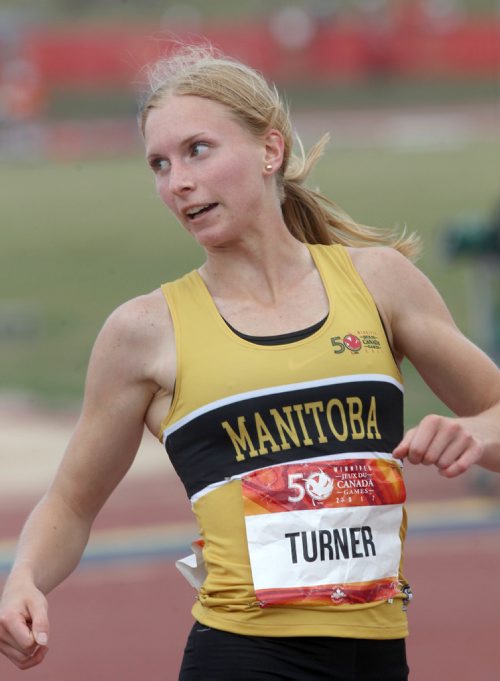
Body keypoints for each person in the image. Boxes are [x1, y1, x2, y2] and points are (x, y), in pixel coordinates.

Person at [0, 44, 499, 681]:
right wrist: (24, 578)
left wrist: (474, 432)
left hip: (378, 655)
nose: (176, 181)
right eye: (159, 163)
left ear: (270, 151)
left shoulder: (379, 284)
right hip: (245, 657)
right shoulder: (145, 332)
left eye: (197, 150)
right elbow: (71, 503)